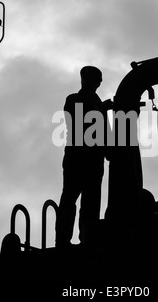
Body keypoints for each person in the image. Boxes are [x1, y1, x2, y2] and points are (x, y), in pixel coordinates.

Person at [55, 66, 113, 248]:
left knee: (91, 202)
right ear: (85, 79)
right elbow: (80, 122)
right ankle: (63, 241)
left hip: (95, 162)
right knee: (70, 199)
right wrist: (101, 109)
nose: (99, 83)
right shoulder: (73, 100)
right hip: (77, 160)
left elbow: (105, 132)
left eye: (100, 80)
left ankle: (88, 239)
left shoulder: (97, 104)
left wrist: (110, 151)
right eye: (97, 79)